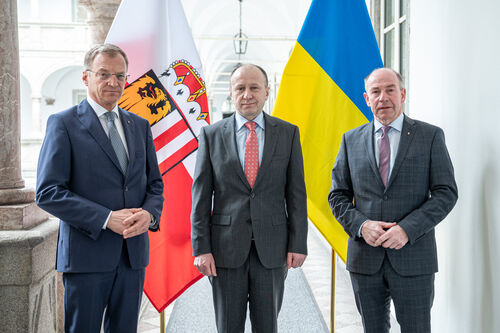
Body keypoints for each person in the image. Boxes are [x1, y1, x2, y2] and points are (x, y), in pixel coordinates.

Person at [36, 44, 164, 333]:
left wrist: (149, 214)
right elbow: (48, 192)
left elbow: (155, 184)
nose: (113, 82)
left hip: (132, 256)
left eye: (120, 76)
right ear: (86, 77)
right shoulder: (63, 124)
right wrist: (106, 218)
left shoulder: (140, 126)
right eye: (104, 74)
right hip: (86, 257)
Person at [328, 68, 458, 333]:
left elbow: (446, 192)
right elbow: (338, 196)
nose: (383, 97)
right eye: (375, 91)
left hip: (413, 258)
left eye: (390, 90)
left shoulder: (430, 136)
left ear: (403, 94)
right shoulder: (350, 140)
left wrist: (406, 230)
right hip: (365, 259)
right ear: (366, 98)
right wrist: (362, 226)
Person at [191, 64, 308, 332]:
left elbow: (296, 194)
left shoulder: (288, 133)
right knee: (228, 326)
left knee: (267, 326)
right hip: (224, 250)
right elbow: (199, 197)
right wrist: (201, 248)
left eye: (254, 87)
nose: (247, 94)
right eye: (240, 88)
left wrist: (298, 242)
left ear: (267, 92)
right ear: (231, 94)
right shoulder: (211, 135)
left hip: (272, 249)